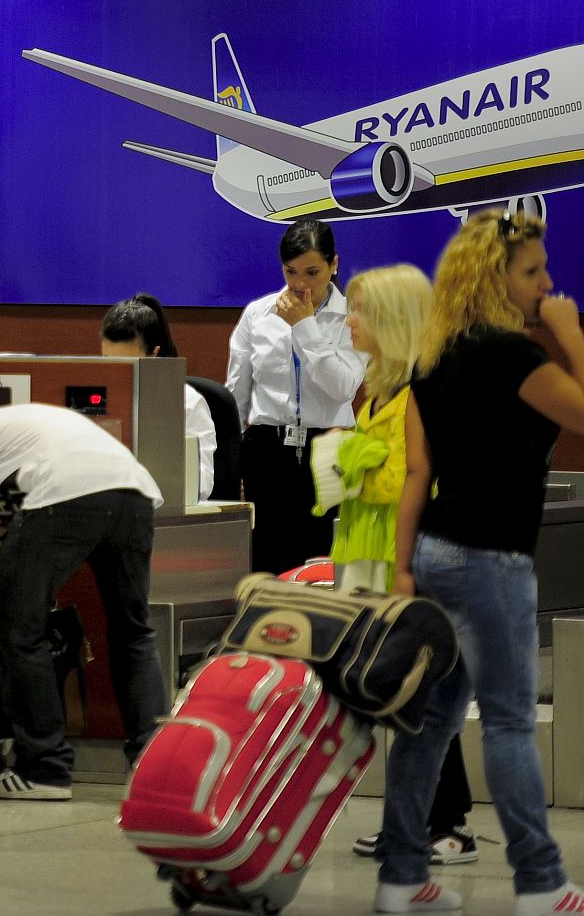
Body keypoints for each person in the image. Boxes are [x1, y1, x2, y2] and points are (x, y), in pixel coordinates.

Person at [378, 210, 584, 915]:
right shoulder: (512, 357)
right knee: (507, 723)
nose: (548, 284)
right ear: (497, 278)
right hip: (492, 562)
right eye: (533, 272)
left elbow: (417, 476)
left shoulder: (432, 358)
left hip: (435, 553)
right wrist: (572, 335)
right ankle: (540, 881)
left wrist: (402, 570)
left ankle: (402, 876)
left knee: (429, 722)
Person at [0, 403, 166, 800]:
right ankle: (151, 765)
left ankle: (44, 769)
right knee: (132, 631)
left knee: (21, 630)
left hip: (64, 492)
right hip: (134, 493)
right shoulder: (14, 434)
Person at [332, 264, 477, 868]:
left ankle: (447, 822)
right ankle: (410, 820)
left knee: (426, 689)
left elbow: (414, 479)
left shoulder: (423, 388)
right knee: (393, 689)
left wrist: (356, 460)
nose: (350, 321)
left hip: (405, 557)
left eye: (362, 311)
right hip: (366, 551)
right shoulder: (377, 385)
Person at [226, 218, 364, 574]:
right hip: (267, 451)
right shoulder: (258, 314)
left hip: (329, 450)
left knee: (325, 563)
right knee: (267, 562)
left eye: (312, 272)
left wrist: (305, 326)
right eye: (291, 272)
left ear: (334, 264)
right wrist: (234, 459)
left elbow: (344, 387)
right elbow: (236, 395)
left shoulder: (353, 317)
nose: (301, 285)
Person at [100, 293, 217, 499]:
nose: (116, 372)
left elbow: (201, 485)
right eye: (108, 361)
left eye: (127, 363)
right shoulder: (95, 399)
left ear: (154, 354)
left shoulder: (187, 403)